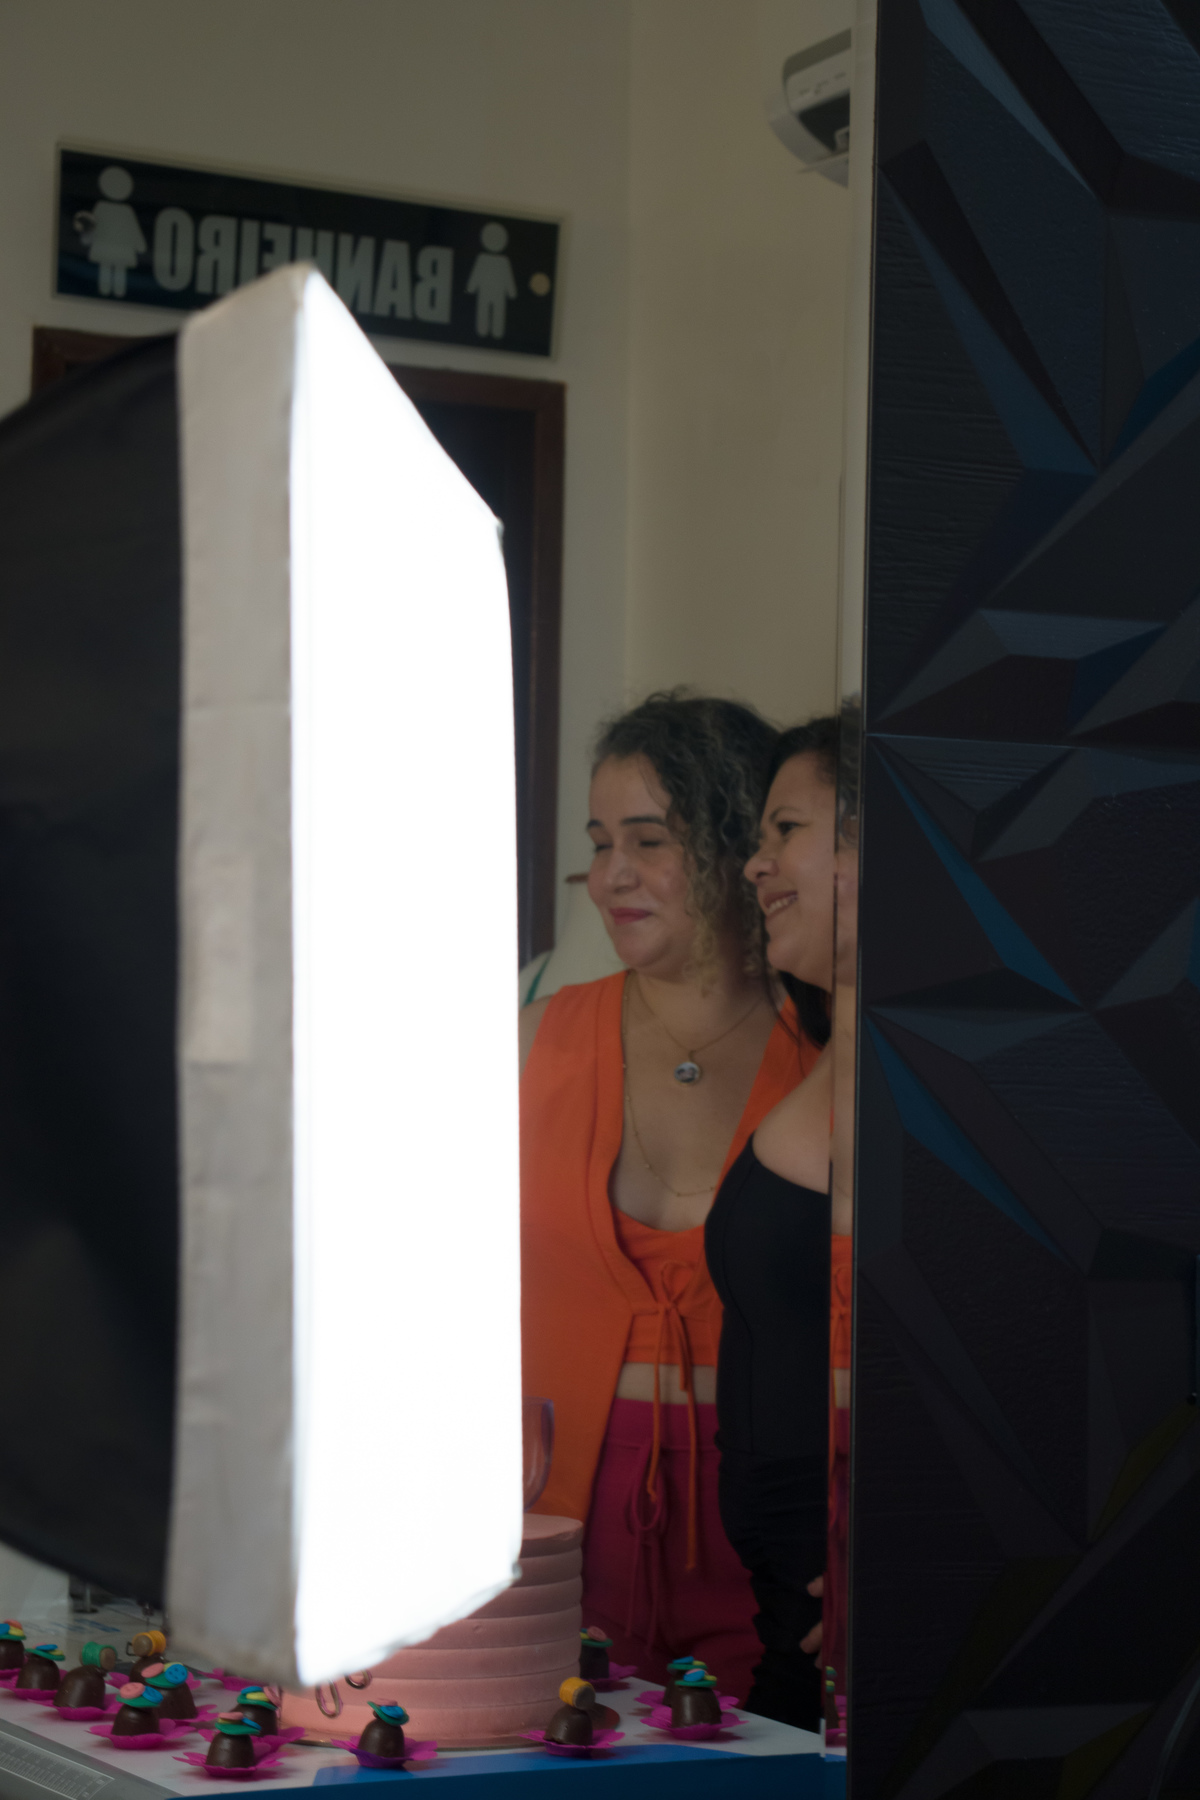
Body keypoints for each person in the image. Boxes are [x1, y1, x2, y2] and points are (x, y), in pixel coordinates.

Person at [520, 693, 822, 1703]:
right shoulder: (526, 1038)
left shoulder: (834, 1055)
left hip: (776, 1551)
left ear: (742, 847)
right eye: (599, 843)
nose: (611, 876)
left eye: (648, 841)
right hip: (551, 1545)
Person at [704, 716, 854, 1731]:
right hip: (788, 1613)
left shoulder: (938, 1079)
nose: (755, 865)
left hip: (848, 1628)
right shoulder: (832, 1048)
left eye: (786, 829)